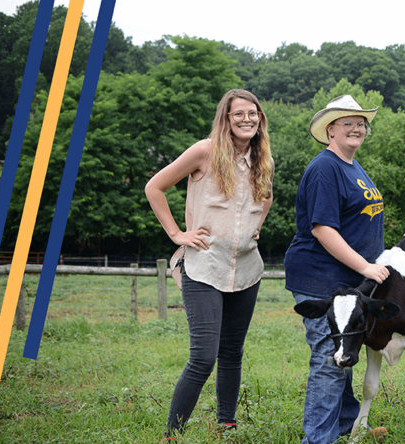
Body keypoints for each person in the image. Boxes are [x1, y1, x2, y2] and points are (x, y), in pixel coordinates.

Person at [145, 89, 274, 438]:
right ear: (226, 119)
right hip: (204, 266)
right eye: (239, 114)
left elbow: (266, 197)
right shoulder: (204, 151)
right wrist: (177, 234)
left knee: (232, 352)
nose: (247, 119)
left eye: (253, 113)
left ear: (260, 118)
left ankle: (226, 424)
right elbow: (154, 187)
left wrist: (255, 228)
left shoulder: (262, 159)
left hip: (247, 269)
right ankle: (173, 433)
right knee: (203, 356)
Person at [284, 95, 389, 444]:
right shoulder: (325, 169)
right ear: (330, 130)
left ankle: (345, 421)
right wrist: (366, 267)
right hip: (321, 277)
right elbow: (323, 229)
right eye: (349, 122)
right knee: (330, 359)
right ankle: (318, 439)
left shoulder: (353, 166)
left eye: (362, 123)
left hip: (347, 281)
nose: (358, 127)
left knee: (345, 348)